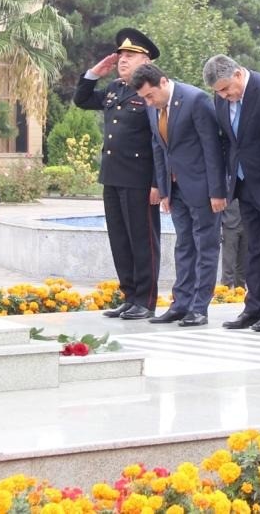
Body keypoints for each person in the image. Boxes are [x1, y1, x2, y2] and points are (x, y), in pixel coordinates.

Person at [73, 28, 163, 321]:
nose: (122, 60)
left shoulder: (152, 91)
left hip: (139, 178)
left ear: (145, 61)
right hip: (112, 176)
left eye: (130, 56)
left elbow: (158, 141)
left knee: (142, 240)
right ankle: (129, 297)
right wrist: (93, 73)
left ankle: (146, 300)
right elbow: (82, 100)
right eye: (121, 55)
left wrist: (155, 182)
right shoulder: (115, 89)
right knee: (120, 241)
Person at [130, 62, 228, 327]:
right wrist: (164, 189)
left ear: (163, 82)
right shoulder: (154, 109)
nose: (149, 103)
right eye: (144, 99)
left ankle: (199, 307)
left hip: (203, 188)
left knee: (205, 246)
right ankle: (180, 303)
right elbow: (159, 148)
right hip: (176, 189)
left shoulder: (195, 99)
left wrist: (217, 190)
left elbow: (212, 147)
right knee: (184, 245)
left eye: (150, 95)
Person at [203, 54, 260, 333]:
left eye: (228, 88)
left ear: (239, 74)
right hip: (244, 183)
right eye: (219, 91)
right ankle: (253, 307)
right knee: (253, 248)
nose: (225, 95)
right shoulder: (221, 98)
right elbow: (230, 142)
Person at [220, 200, 247, 289]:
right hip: (229, 224)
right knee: (228, 261)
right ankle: (225, 289)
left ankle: (240, 289)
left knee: (244, 262)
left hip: (248, 223)